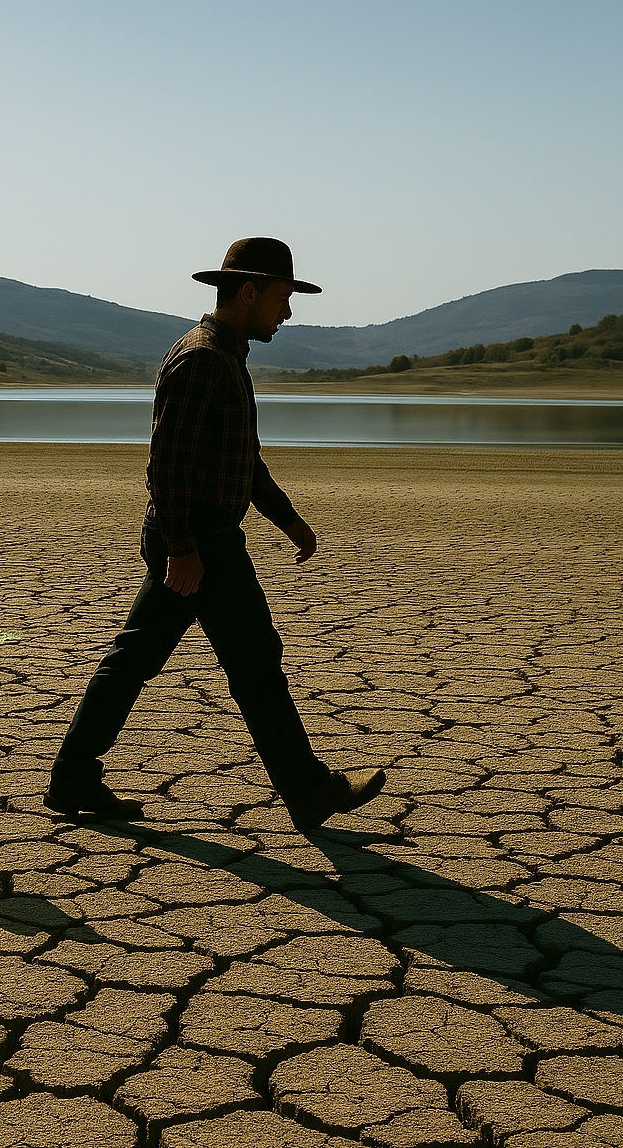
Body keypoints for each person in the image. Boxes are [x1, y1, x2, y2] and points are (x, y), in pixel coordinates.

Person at [45, 236, 386, 835]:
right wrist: (182, 549)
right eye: (282, 297)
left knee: (137, 657)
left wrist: (286, 519)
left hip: (201, 537)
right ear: (248, 292)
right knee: (256, 662)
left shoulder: (227, 355)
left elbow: (241, 458)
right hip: (200, 540)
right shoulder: (203, 358)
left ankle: (74, 772)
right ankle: (307, 790)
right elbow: (167, 464)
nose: (287, 311)